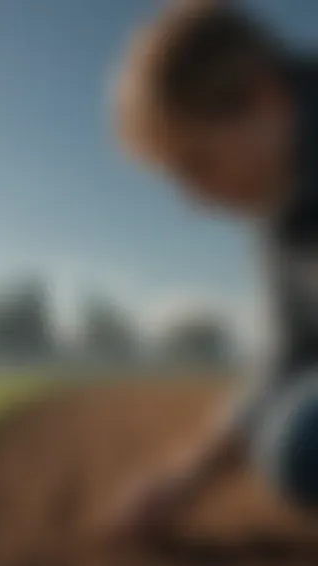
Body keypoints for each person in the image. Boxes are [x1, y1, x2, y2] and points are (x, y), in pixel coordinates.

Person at [111, 0, 318, 537]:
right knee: (295, 442)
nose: (195, 201)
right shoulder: (281, 205)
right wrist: (183, 481)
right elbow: (288, 357)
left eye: (196, 163)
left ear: (264, 97)